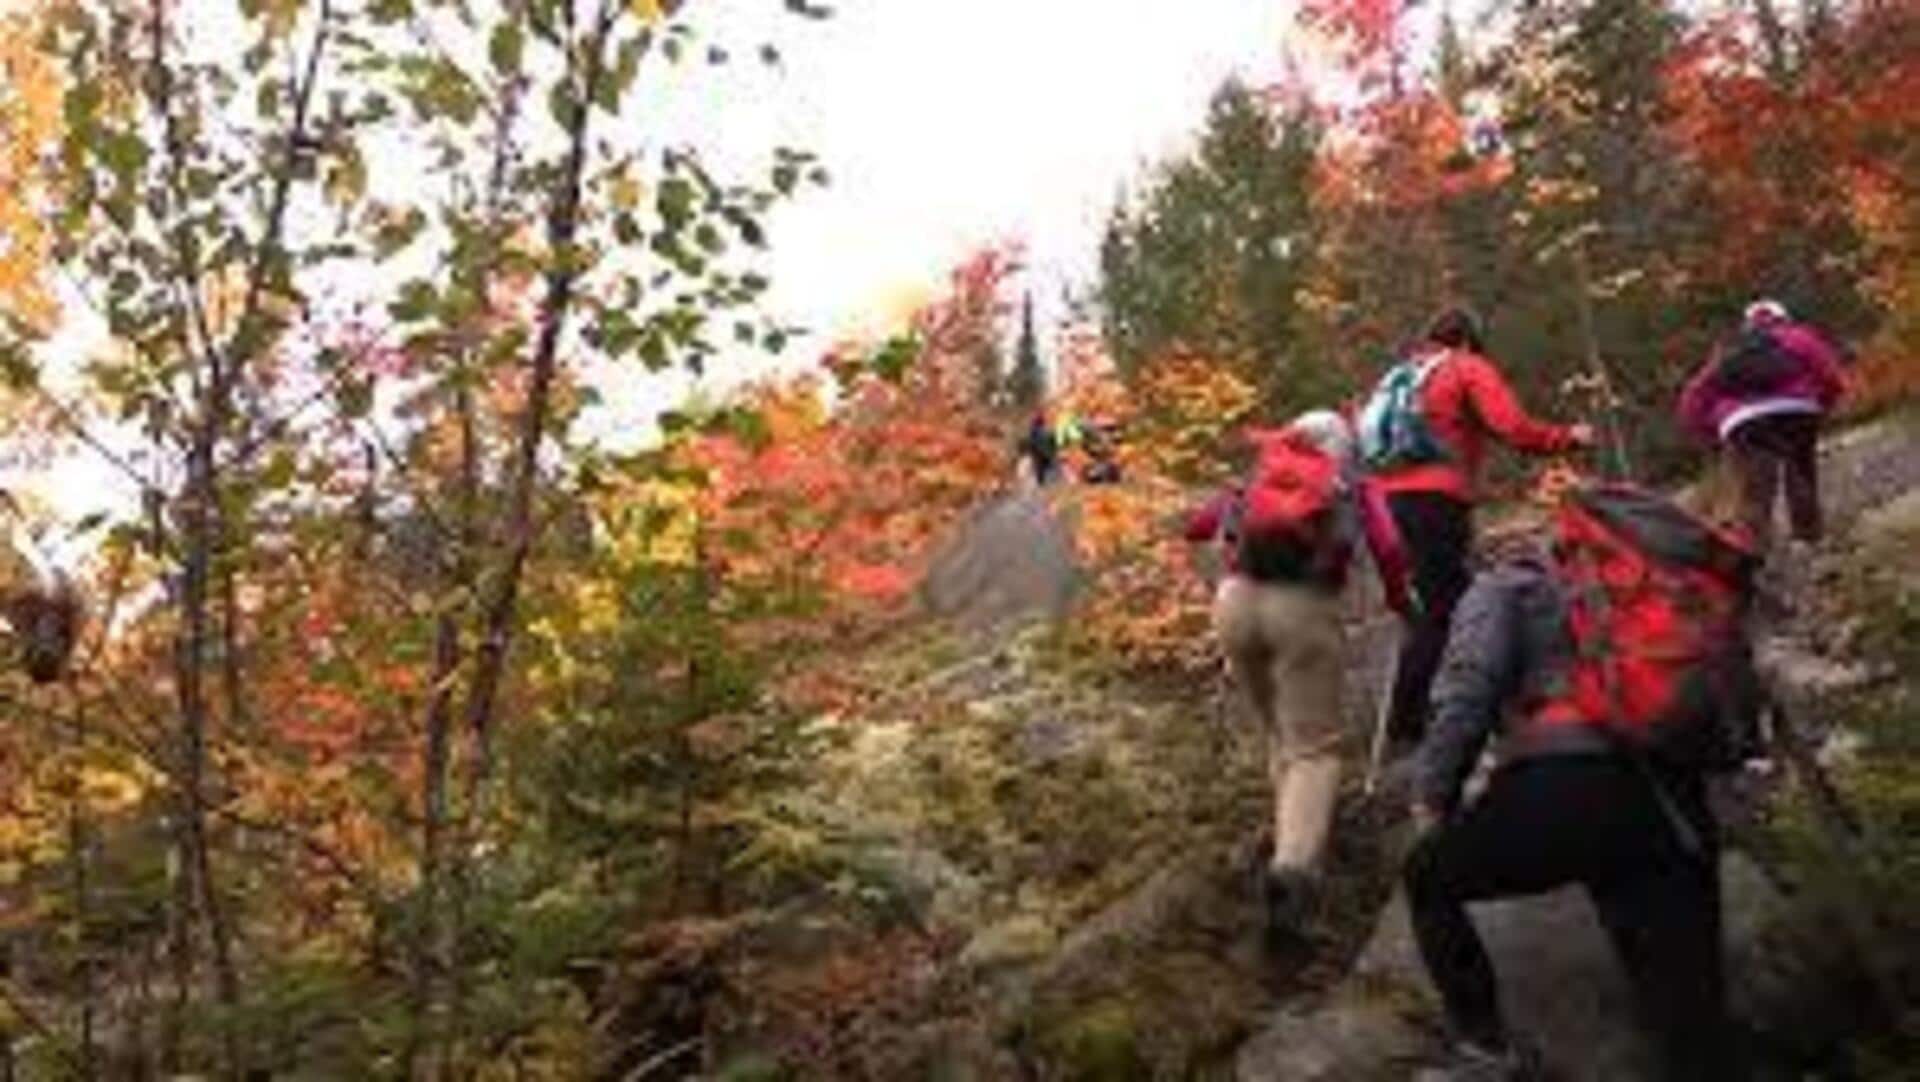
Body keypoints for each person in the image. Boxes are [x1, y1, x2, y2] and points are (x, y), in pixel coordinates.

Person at [1403, 481, 1761, 1081]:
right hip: (1670, 798)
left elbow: (1467, 691)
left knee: (1428, 878)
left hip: (1563, 786)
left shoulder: (1501, 585)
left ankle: (1486, 1049)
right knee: (1691, 1022)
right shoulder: (1629, 586)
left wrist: (1432, 794)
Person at [1183, 410, 1411, 939]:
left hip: (1234, 603)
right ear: (1344, 446)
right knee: (1315, 750)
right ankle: (1294, 874)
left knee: (1281, 736)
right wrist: (1401, 599)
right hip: (1302, 609)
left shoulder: (1260, 477)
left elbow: (1197, 526)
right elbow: (1392, 547)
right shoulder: (1351, 485)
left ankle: (1288, 832)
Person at [1357, 307, 1593, 748]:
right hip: (1436, 500)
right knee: (1449, 611)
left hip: (1390, 500)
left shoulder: (1402, 376)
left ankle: (1426, 712)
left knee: (1437, 603)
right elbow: (1513, 427)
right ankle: (1417, 722)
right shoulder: (1465, 367)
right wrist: (1567, 437)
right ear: (1468, 340)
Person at [1677, 298, 1847, 555]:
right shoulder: (1799, 337)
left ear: (1747, 324)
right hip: (1796, 410)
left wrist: (1711, 431)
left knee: (1754, 488)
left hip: (1743, 420)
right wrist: (1822, 405)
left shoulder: (1729, 350)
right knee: (1800, 471)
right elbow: (1830, 376)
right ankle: (1808, 538)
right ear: (1783, 317)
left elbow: (1694, 397)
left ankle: (1756, 552)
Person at [1018, 411, 1059, 486]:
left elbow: (1028, 447)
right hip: (1048, 460)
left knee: (1041, 476)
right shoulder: (1048, 432)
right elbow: (1054, 443)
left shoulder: (1031, 435)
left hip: (1040, 462)